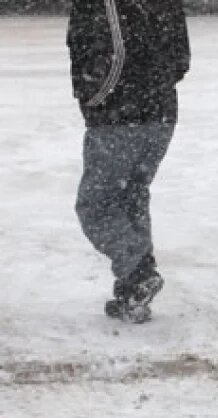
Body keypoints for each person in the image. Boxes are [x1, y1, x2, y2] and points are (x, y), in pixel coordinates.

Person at [68, 0, 190, 323]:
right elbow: (181, 59)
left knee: (95, 205)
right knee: (131, 194)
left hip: (120, 117)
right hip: (160, 114)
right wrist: (156, 88)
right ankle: (132, 292)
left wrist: (95, 99)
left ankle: (137, 273)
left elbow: (116, 53)